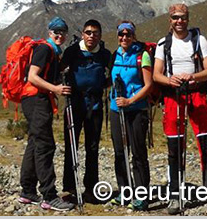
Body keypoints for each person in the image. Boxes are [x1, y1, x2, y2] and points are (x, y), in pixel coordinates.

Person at [152, 3, 207, 215]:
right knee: (174, 148)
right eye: (175, 18)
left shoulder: (199, 40)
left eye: (183, 17)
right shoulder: (163, 44)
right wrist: (170, 80)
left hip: (197, 95)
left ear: (188, 19)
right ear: (169, 20)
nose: (179, 21)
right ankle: (175, 198)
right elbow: (156, 75)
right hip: (173, 97)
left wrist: (193, 76)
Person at [17, 16, 75, 211]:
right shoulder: (44, 49)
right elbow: (33, 77)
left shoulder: (52, 51)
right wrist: (55, 88)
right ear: (49, 33)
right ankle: (49, 195)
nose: (59, 35)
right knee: (45, 145)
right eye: (56, 31)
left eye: (62, 32)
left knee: (34, 143)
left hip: (33, 99)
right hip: (36, 99)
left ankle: (27, 191)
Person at [59, 19, 111, 205]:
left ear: (100, 35)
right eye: (88, 32)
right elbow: (60, 70)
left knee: (93, 148)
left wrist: (104, 85)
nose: (91, 36)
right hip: (74, 104)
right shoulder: (72, 52)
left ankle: (91, 188)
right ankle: (69, 188)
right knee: (71, 146)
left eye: (95, 33)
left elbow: (112, 74)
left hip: (95, 105)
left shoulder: (105, 54)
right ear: (82, 34)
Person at [108, 21, 153, 211]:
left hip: (136, 110)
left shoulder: (142, 56)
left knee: (138, 153)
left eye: (128, 34)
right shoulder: (114, 55)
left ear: (134, 36)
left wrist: (130, 101)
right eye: (121, 34)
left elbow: (148, 85)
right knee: (120, 152)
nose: (124, 38)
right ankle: (125, 191)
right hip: (116, 110)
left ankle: (141, 194)